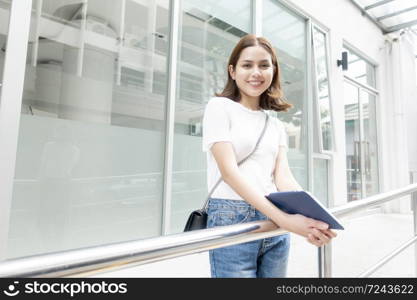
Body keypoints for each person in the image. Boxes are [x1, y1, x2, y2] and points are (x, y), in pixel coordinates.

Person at [202, 34, 337, 278]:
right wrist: (285, 220)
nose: (256, 72)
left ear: (273, 71)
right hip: (233, 216)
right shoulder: (219, 107)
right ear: (232, 71)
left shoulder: (274, 125)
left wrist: (314, 220)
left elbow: (283, 178)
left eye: (264, 65)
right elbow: (229, 173)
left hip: (274, 219)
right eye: (247, 65)